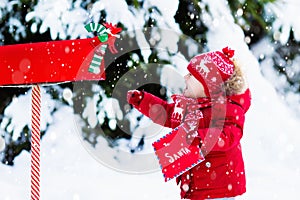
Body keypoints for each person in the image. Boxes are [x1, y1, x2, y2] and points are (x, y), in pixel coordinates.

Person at [127, 47, 251, 200]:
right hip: (196, 186)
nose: (185, 77)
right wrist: (143, 101)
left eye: (191, 75)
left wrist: (200, 138)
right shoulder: (190, 107)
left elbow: (229, 135)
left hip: (219, 187)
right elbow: (167, 113)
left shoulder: (229, 110)